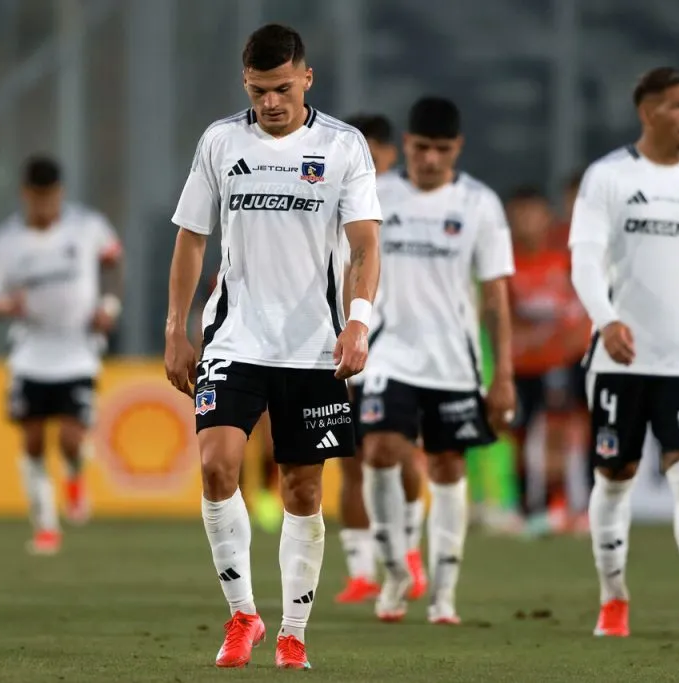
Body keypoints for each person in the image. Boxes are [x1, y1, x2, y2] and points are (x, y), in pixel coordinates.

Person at [163, 24, 381, 670]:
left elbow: (365, 246)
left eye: (282, 88)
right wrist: (176, 327)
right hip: (235, 336)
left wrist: (359, 321)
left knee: (302, 489)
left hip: (313, 346)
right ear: (245, 84)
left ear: (306, 78)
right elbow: (191, 238)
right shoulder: (221, 141)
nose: (270, 103)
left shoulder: (343, 146)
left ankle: (293, 631)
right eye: (259, 91)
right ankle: (243, 615)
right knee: (216, 466)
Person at [568, 67, 679, 640]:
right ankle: (613, 600)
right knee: (615, 475)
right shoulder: (609, 177)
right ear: (648, 112)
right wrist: (606, 320)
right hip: (620, 360)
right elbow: (584, 260)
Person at [358, 96, 515, 625]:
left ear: (457, 148)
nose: (430, 158)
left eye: (441, 149)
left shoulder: (480, 204)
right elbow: (347, 265)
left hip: (454, 361)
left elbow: (495, 296)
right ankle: (395, 570)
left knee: (448, 465)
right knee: (379, 449)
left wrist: (503, 374)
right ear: (406, 144)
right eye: (422, 147)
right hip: (389, 353)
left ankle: (443, 592)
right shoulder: (377, 194)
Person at [0, 155, 123, 556]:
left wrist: (109, 306)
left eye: (51, 196)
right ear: (25, 194)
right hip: (31, 352)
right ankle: (45, 525)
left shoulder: (87, 227)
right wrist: (7, 306)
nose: (44, 204)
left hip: (78, 351)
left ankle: (75, 475)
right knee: (31, 439)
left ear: (60, 193)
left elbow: (113, 261)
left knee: (71, 439)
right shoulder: (6, 240)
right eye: (37, 196)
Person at [334, 113, 428, 605]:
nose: (364, 162)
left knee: (394, 451)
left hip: (391, 346)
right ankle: (361, 570)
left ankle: (408, 550)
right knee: (350, 462)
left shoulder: (404, 199)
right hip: (337, 340)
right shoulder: (334, 194)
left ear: (391, 154)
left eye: (371, 153)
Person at [505, 186, 591, 536]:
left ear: (546, 217)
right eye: (519, 214)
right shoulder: (504, 261)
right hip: (520, 363)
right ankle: (527, 507)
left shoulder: (563, 258)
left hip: (558, 361)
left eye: (533, 214)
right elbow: (499, 312)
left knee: (558, 430)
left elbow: (582, 307)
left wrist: (571, 342)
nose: (526, 222)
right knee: (520, 435)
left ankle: (561, 504)